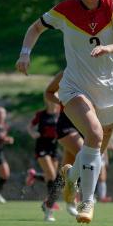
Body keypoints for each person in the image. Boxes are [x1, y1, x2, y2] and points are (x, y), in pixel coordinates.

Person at [16, 0, 113, 223]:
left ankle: (69, 177)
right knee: (93, 135)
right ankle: (87, 201)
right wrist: (25, 54)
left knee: (96, 152)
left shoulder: (112, 4)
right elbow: (34, 28)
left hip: (110, 88)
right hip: (75, 86)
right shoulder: (64, 10)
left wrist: (109, 47)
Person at [44, 70, 84, 217]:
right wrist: (61, 101)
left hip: (84, 126)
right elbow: (48, 92)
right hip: (66, 125)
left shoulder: (93, 71)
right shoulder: (66, 73)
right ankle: (73, 200)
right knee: (84, 155)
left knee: (65, 171)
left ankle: (48, 205)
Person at [25, 96, 62, 221]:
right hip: (42, 146)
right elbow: (29, 126)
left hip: (54, 148)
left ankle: (34, 176)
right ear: (47, 100)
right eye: (51, 98)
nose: (53, 100)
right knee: (51, 175)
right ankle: (49, 209)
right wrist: (33, 133)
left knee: (52, 177)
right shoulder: (41, 114)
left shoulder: (60, 114)